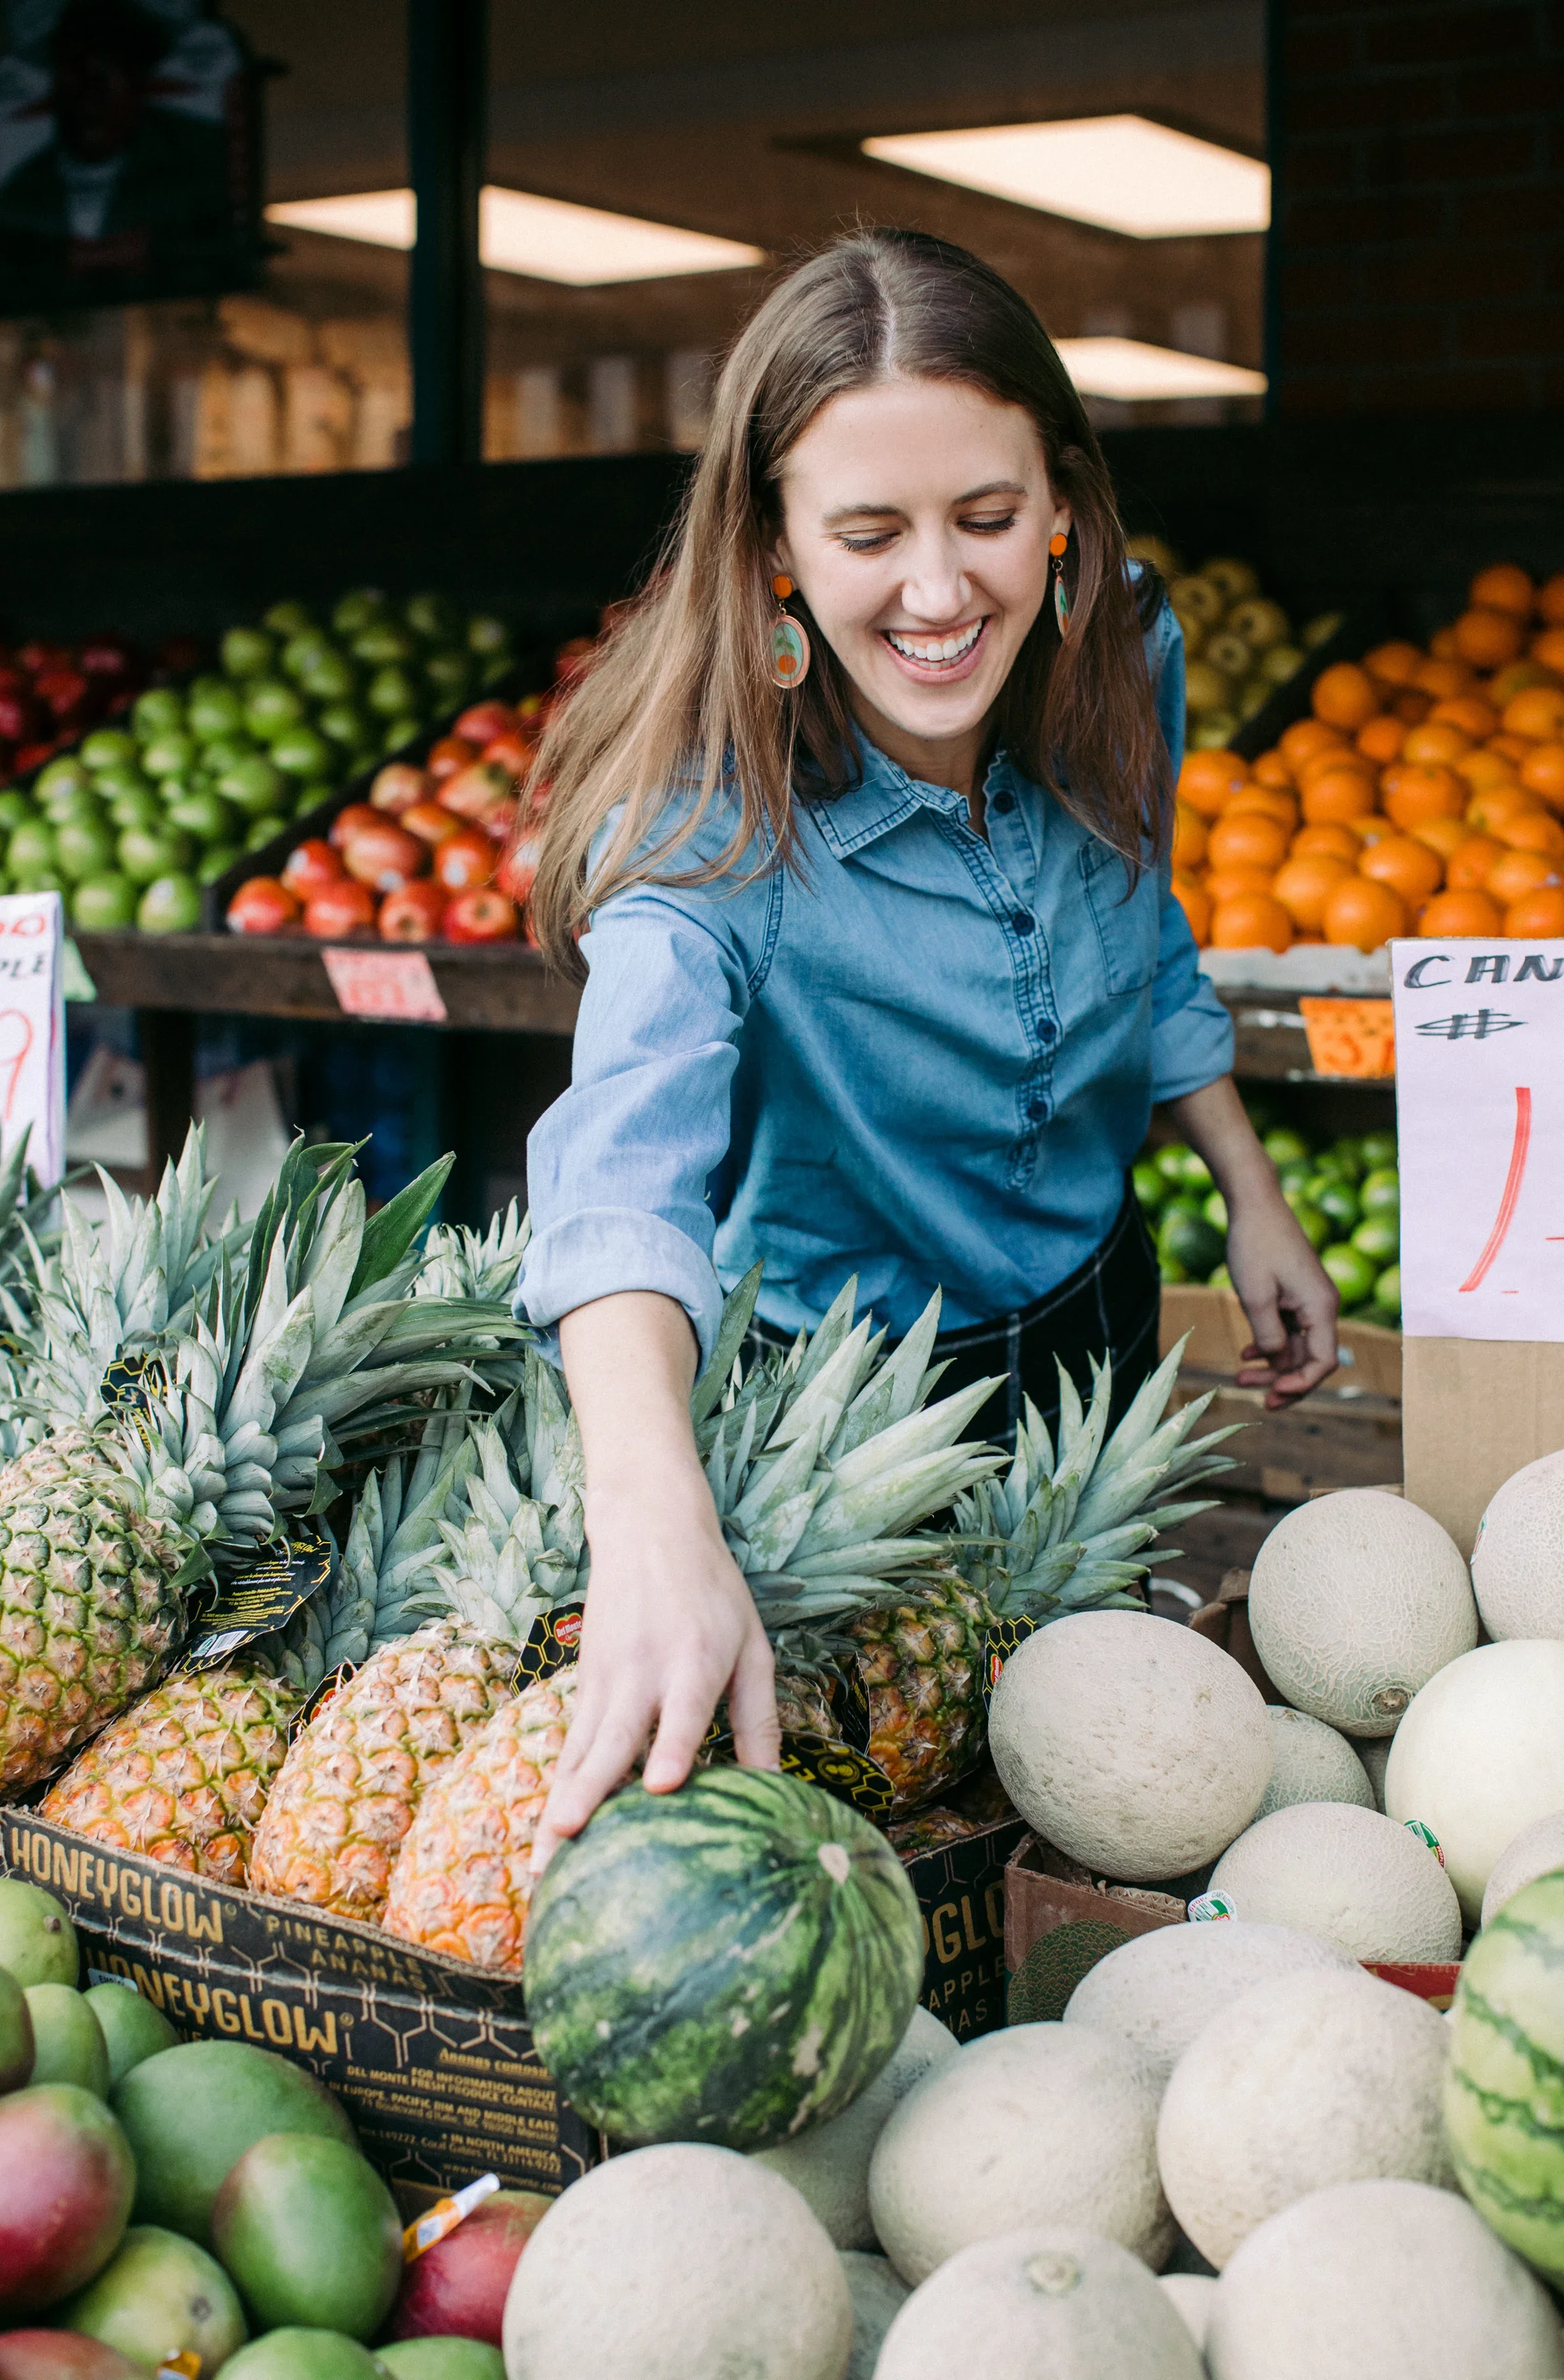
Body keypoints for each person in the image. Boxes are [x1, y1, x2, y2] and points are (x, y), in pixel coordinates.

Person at [515, 229, 1338, 1866]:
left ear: (1064, 507)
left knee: (1102, 1796)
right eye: (870, 533)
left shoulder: (1123, 656)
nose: (945, 593)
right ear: (772, 546)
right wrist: (653, 1512)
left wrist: (1247, 1185)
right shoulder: (707, 825)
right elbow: (619, 1166)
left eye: (987, 518)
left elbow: (1140, 919)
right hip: (848, 1407)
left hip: (1094, 1308)